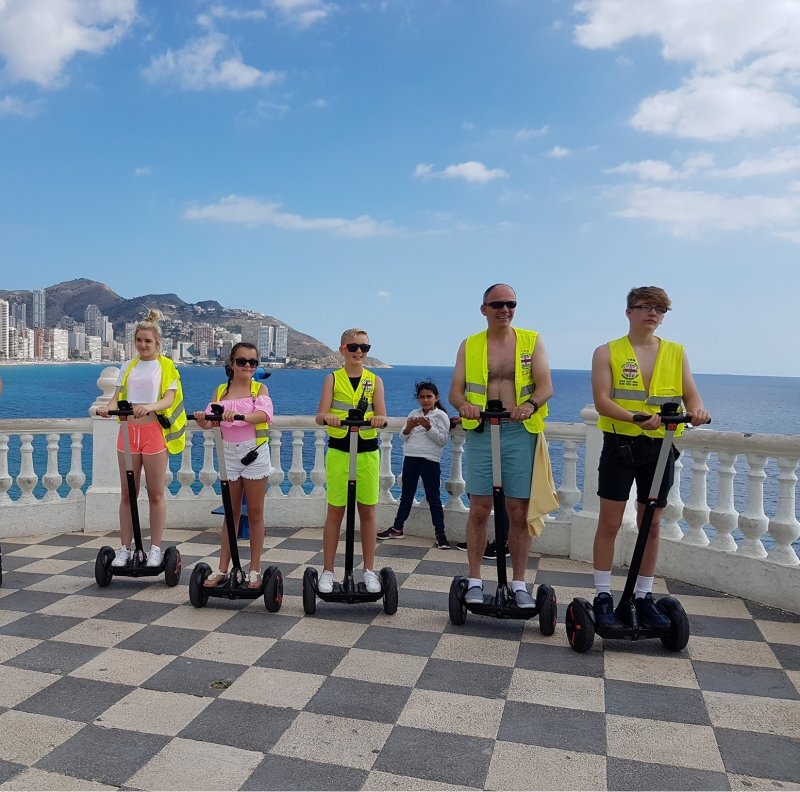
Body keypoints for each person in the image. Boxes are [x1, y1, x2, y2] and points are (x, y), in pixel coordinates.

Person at [591, 286, 710, 628]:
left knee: (652, 525)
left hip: (660, 448)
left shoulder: (676, 352)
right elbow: (602, 400)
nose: (652, 314)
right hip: (620, 444)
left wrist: (698, 410)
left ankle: (643, 596)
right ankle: (602, 595)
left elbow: (691, 393)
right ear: (629, 312)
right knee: (610, 523)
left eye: (659, 310)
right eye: (644, 307)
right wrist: (634, 418)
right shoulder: (607, 352)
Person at [449, 284, 553, 607]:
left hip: (519, 431)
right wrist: (464, 405)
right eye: (497, 305)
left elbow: (546, 386)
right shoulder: (470, 345)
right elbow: (455, 392)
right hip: (482, 430)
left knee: (518, 512)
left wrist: (531, 405)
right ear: (484, 309)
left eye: (511, 304)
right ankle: (476, 579)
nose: (504, 310)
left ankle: (519, 583)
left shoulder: (531, 341)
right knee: (479, 508)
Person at [98, 309, 186, 568]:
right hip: (127, 433)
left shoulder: (166, 366)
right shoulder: (128, 366)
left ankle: (156, 548)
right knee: (127, 494)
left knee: (156, 493)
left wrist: (150, 406)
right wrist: (107, 407)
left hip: (153, 433)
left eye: (148, 341)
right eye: (139, 340)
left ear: (157, 343)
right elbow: (117, 396)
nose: (143, 345)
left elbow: (169, 398)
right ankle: (124, 548)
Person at [193, 342, 274, 588]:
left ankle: (255, 570)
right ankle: (222, 568)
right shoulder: (220, 391)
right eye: (242, 361)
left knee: (255, 513)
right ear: (232, 364)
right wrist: (201, 419)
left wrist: (239, 416)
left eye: (253, 362)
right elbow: (209, 422)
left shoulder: (259, 389)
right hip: (228, 454)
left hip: (254, 453)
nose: (247, 366)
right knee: (231, 513)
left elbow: (263, 415)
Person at [315, 328, 388, 594]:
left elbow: (381, 413)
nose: (360, 352)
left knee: (367, 511)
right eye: (355, 347)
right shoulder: (332, 379)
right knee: (335, 511)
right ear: (343, 349)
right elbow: (320, 414)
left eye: (365, 348)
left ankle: (369, 570)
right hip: (339, 451)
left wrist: (379, 419)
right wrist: (328, 418)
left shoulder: (375, 381)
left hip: (367, 452)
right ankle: (328, 570)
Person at [378, 380, 451, 549]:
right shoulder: (413, 413)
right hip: (410, 458)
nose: (425, 400)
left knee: (433, 497)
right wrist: (408, 428)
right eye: (422, 397)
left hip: (430, 460)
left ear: (436, 397)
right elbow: (402, 438)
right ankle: (397, 528)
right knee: (406, 494)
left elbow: (442, 441)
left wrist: (428, 427)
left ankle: (441, 534)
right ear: (418, 399)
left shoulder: (441, 416)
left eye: (429, 397)